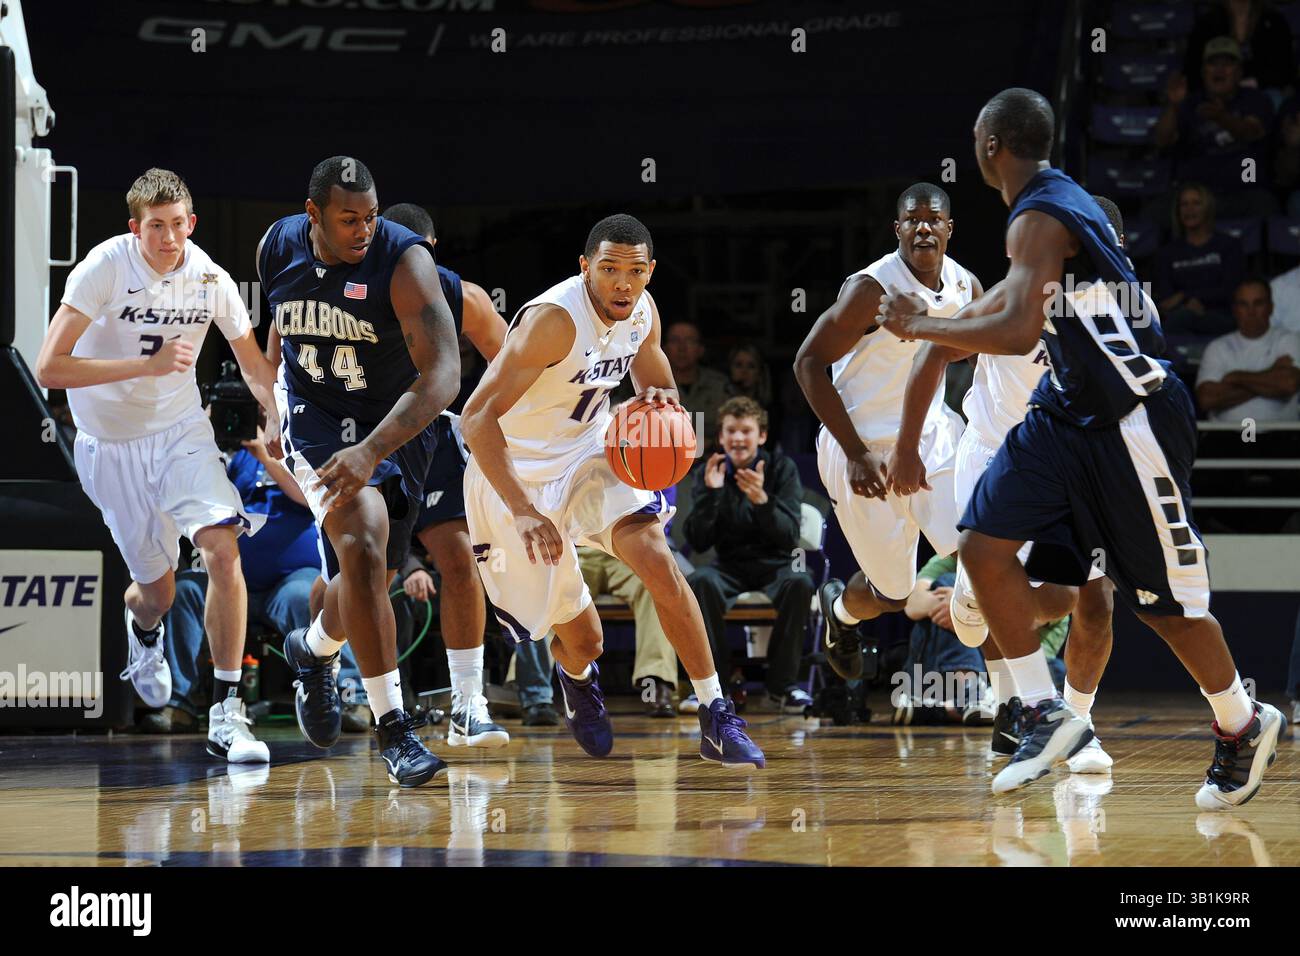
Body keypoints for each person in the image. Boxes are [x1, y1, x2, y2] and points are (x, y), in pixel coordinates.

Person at [878, 87, 1285, 807]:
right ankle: (1042, 710)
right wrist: (934, 333)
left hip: (1132, 416)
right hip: (1067, 414)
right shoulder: (1041, 216)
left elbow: (1015, 332)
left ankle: (1241, 722)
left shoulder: (1041, 212)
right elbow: (1007, 317)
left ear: (987, 142)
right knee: (982, 546)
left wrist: (918, 323)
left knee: (1160, 607)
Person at [459, 214, 765, 768]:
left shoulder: (642, 311)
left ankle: (715, 713)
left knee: (657, 557)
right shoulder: (552, 321)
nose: (622, 283)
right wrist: (524, 510)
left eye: (634, 271)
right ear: (585, 269)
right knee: (584, 641)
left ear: (649, 271)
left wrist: (661, 407)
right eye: (608, 270)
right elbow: (475, 418)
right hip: (514, 472)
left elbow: (658, 381)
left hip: (588, 453)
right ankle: (577, 677)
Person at [35, 167, 279, 765]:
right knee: (159, 593)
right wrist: (143, 367)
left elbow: (251, 363)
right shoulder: (104, 268)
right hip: (110, 447)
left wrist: (278, 417)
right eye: (155, 227)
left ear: (191, 224)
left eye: (177, 225)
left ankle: (227, 712)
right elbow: (48, 368)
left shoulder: (211, 279)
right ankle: (144, 628)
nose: (168, 239)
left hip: (181, 434)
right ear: (135, 229)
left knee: (223, 547)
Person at [890, 194, 1139, 775]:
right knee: (1024, 595)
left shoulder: (1125, 308)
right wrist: (905, 447)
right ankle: (1020, 703)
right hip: (998, 456)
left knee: (1092, 601)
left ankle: (1074, 725)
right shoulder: (1017, 299)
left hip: (1076, 461)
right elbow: (932, 354)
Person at [257, 156, 461, 788]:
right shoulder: (275, 244)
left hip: (398, 422)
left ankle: (313, 647)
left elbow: (445, 377)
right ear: (313, 214)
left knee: (376, 574)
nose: (364, 229)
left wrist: (372, 449)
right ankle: (395, 731)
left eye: (371, 216)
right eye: (349, 219)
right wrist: (271, 403)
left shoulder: (405, 264)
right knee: (363, 540)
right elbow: (281, 328)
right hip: (316, 419)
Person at [793, 182, 977, 683]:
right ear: (897, 229)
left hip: (930, 440)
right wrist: (854, 453)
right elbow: (807, 363)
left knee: (979, 555)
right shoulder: (870, 290)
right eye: (912, 219)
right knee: (892, 595)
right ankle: (840, 613)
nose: (923, 226)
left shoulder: (966, 287)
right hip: (862, 447)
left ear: (948, 229)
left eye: (933, 219)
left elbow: (991, 352)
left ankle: (1011, 704)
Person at [380, 202, 512, 749]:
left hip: (433, 440)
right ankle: (324, 662)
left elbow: (513, 363)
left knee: (460, 560)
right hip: (370, 439)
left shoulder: (460, 296)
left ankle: (467, 703)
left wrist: (483, 419)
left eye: (423, 256)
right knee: (360, 577)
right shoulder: (350, 287)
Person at [149, 418, 321, 733]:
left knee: (308, 594)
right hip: (227, 577)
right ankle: (178, 703)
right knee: (185, 590)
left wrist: (266, 457)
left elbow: (310, 496)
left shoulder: (301, 442)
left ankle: (332, 697)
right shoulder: (223, 452)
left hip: (290, 579)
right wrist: (203, 433)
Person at [683, 396, 813, 714]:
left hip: (775, 565)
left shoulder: (782, 469)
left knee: (800, 583)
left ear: (762, 436)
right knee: (700, 582)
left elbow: (788, 537)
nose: (738, 438)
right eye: (731, 431)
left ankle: (782, 687)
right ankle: (715, 688)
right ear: (721, 437)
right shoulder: (709, 471)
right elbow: (697, 540)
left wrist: (763, 501)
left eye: (746, 430)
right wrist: (712, 495)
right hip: (728, 567)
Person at [1155, 37, 1276, 219]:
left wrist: (1221, 118)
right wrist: (1173, 106)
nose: (1219, 70)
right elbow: (1161, 141)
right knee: (1154, 213)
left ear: (1239, 72)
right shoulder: (1189, 103)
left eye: (1227, 64)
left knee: (1266, 205)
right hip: (1197, 195)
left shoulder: (1255, 99)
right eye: (1213, 64)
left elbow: (1252, 132)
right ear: (1203, 71)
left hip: (1245, 191)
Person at [576, 546, 681, 717]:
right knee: (554, 594)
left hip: (620, 552)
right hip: (574, 551)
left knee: (654, 586)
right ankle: (530, 689)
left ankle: (655, 682)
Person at [1196, 277, 1300, 422]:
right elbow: (1207, 399)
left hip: (1281, 437)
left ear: (1270, 307)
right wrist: (1271, 377)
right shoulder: (1217, 347)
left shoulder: (1288, 340)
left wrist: (1236, 377)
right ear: (1235, 310)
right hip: (1225, 437)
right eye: (1244, 304)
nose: (1251, 312)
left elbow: (1288, 384)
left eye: (1258, 303)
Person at [1153, 183, 1244, 338]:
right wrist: (1186, 305)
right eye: (1184, 204)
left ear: (1208, 208)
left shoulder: (1229, 245)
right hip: (1180, 316)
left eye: (1196, 203)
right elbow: (1166, 297)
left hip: (1221, 316)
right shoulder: (1167, 252)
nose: (1189, 209)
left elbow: (1231, 289)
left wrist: (1185, 296)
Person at [1183, 0, 1295, 96]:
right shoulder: (1207, 22)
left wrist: (1253, 83)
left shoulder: (1274, 20)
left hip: (1262, 93)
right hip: (1216, 93)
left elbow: (1284, 69)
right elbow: (1193, 68)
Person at [663, 320, 731, 442]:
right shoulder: (652, 385)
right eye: (674, 340)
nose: (682, 348)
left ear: (701, 349)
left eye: (689, 341)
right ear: (664, 349)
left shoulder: (719, 386)